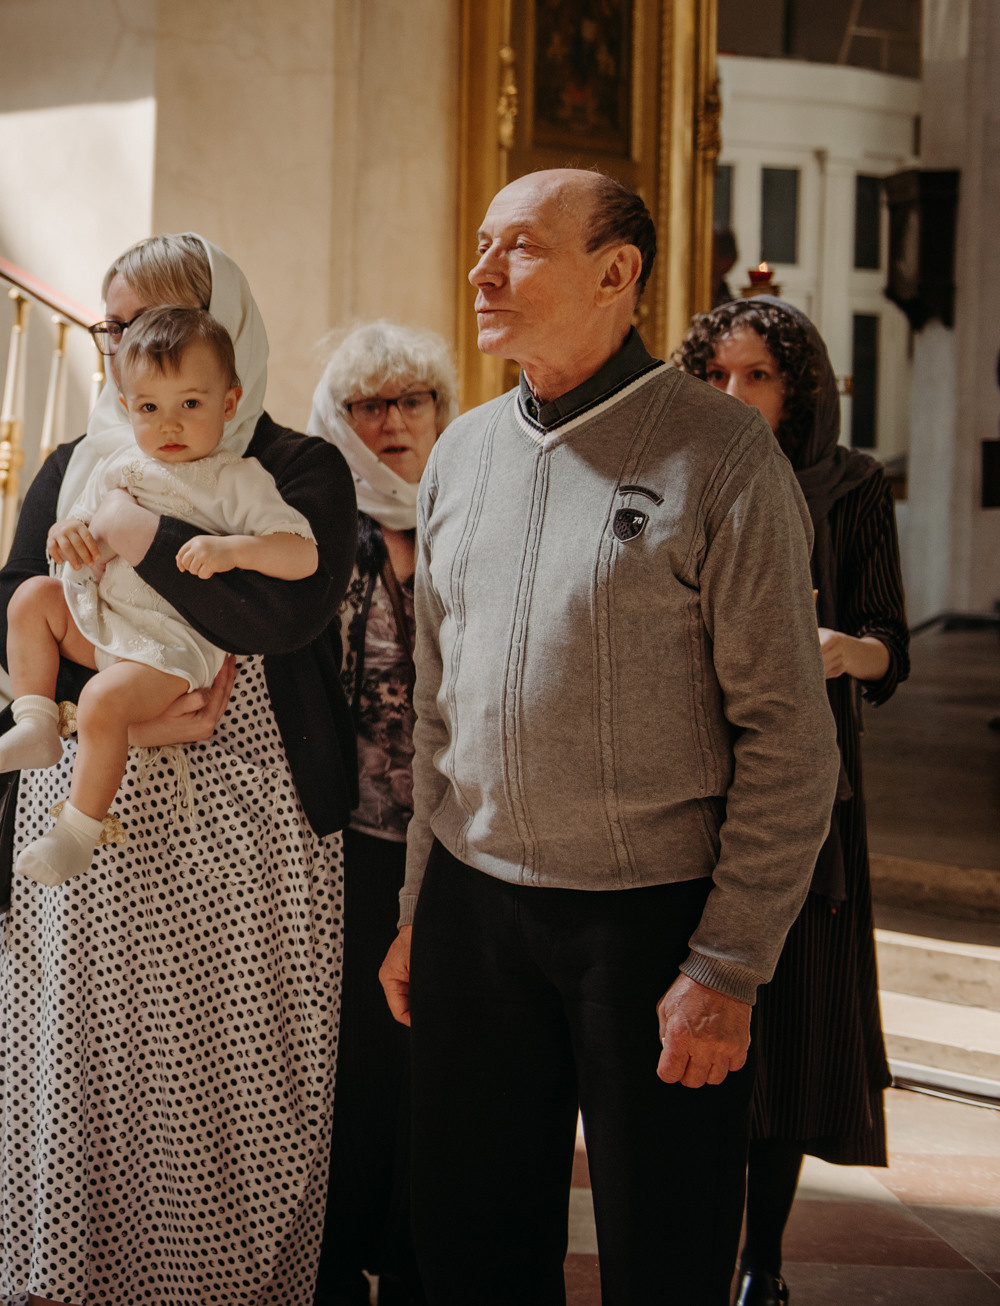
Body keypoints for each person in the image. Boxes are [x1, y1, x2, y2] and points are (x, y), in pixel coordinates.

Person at [381, 169, 839, 1304]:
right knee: (469, 1249)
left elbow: (789, 734)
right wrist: (415, 915)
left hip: (653, 928)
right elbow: (439, 714)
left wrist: (727, 967)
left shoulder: (724, 457)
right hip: (476, 913)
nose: (483, 271)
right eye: (482, 243)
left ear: (616, 272)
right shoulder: (463, 455)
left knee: (665, 1256)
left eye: (521, 247)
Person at [0, 233, 358, 1306]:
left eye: (151, 323)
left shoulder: (295, 467)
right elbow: (24, 597)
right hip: (94, 799)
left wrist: (144, 539)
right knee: (91, 1080)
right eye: (112, 327)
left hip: (247, 817)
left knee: (231, 1085)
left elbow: (286, 610)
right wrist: (132, 715)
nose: (127, 348)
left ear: (219, 343)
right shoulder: (77, 463)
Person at [674, 299, 910, 1306]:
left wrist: (841, 654)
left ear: (799, 386)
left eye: (756, 377)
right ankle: (685, 1249)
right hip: (685, 784)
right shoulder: (678, 472)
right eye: (716, 376)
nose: (733, 396)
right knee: (686, 1038)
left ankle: (760, 1261)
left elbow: (889, 640)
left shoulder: (850, 485)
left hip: (806, 794)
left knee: (790, 1041)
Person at [0, 306, 318, 885]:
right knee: (31, 598)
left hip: (170, 648)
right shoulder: (117, 465)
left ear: (229, 404)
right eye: (149, 408)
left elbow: (302, 552)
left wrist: (236, 549)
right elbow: (81, 531)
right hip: (108, 622)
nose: (169, 425)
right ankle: (36, 722)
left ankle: (77, 833)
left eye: (190, 404)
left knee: (101, 702)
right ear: (125, 407)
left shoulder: (235, 478)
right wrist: (67, 533)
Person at [305, 320, 456, 1306]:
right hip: (347, 849)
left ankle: (416, 1262)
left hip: (453, 848)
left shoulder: (466, 514)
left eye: (414, 401)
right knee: (350, 1071)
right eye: (372, 404)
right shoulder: (318, 532)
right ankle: (331, 1265)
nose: (395, 422)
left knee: (440, 1072)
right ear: (342, 419)